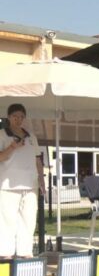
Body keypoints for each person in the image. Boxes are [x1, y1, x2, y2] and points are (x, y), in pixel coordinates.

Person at [0, 104, 44, 259]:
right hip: (8, 185)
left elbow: (37, 159)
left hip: (30, 183)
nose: (18, 120)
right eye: (15, 116)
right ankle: (5, 253)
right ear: (9, 117)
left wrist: (41, 180)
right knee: (7, 220)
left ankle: (25, 252)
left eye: (21, 117)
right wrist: (12, 147)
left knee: (29, 219)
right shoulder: (2, 134)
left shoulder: (31, 136)